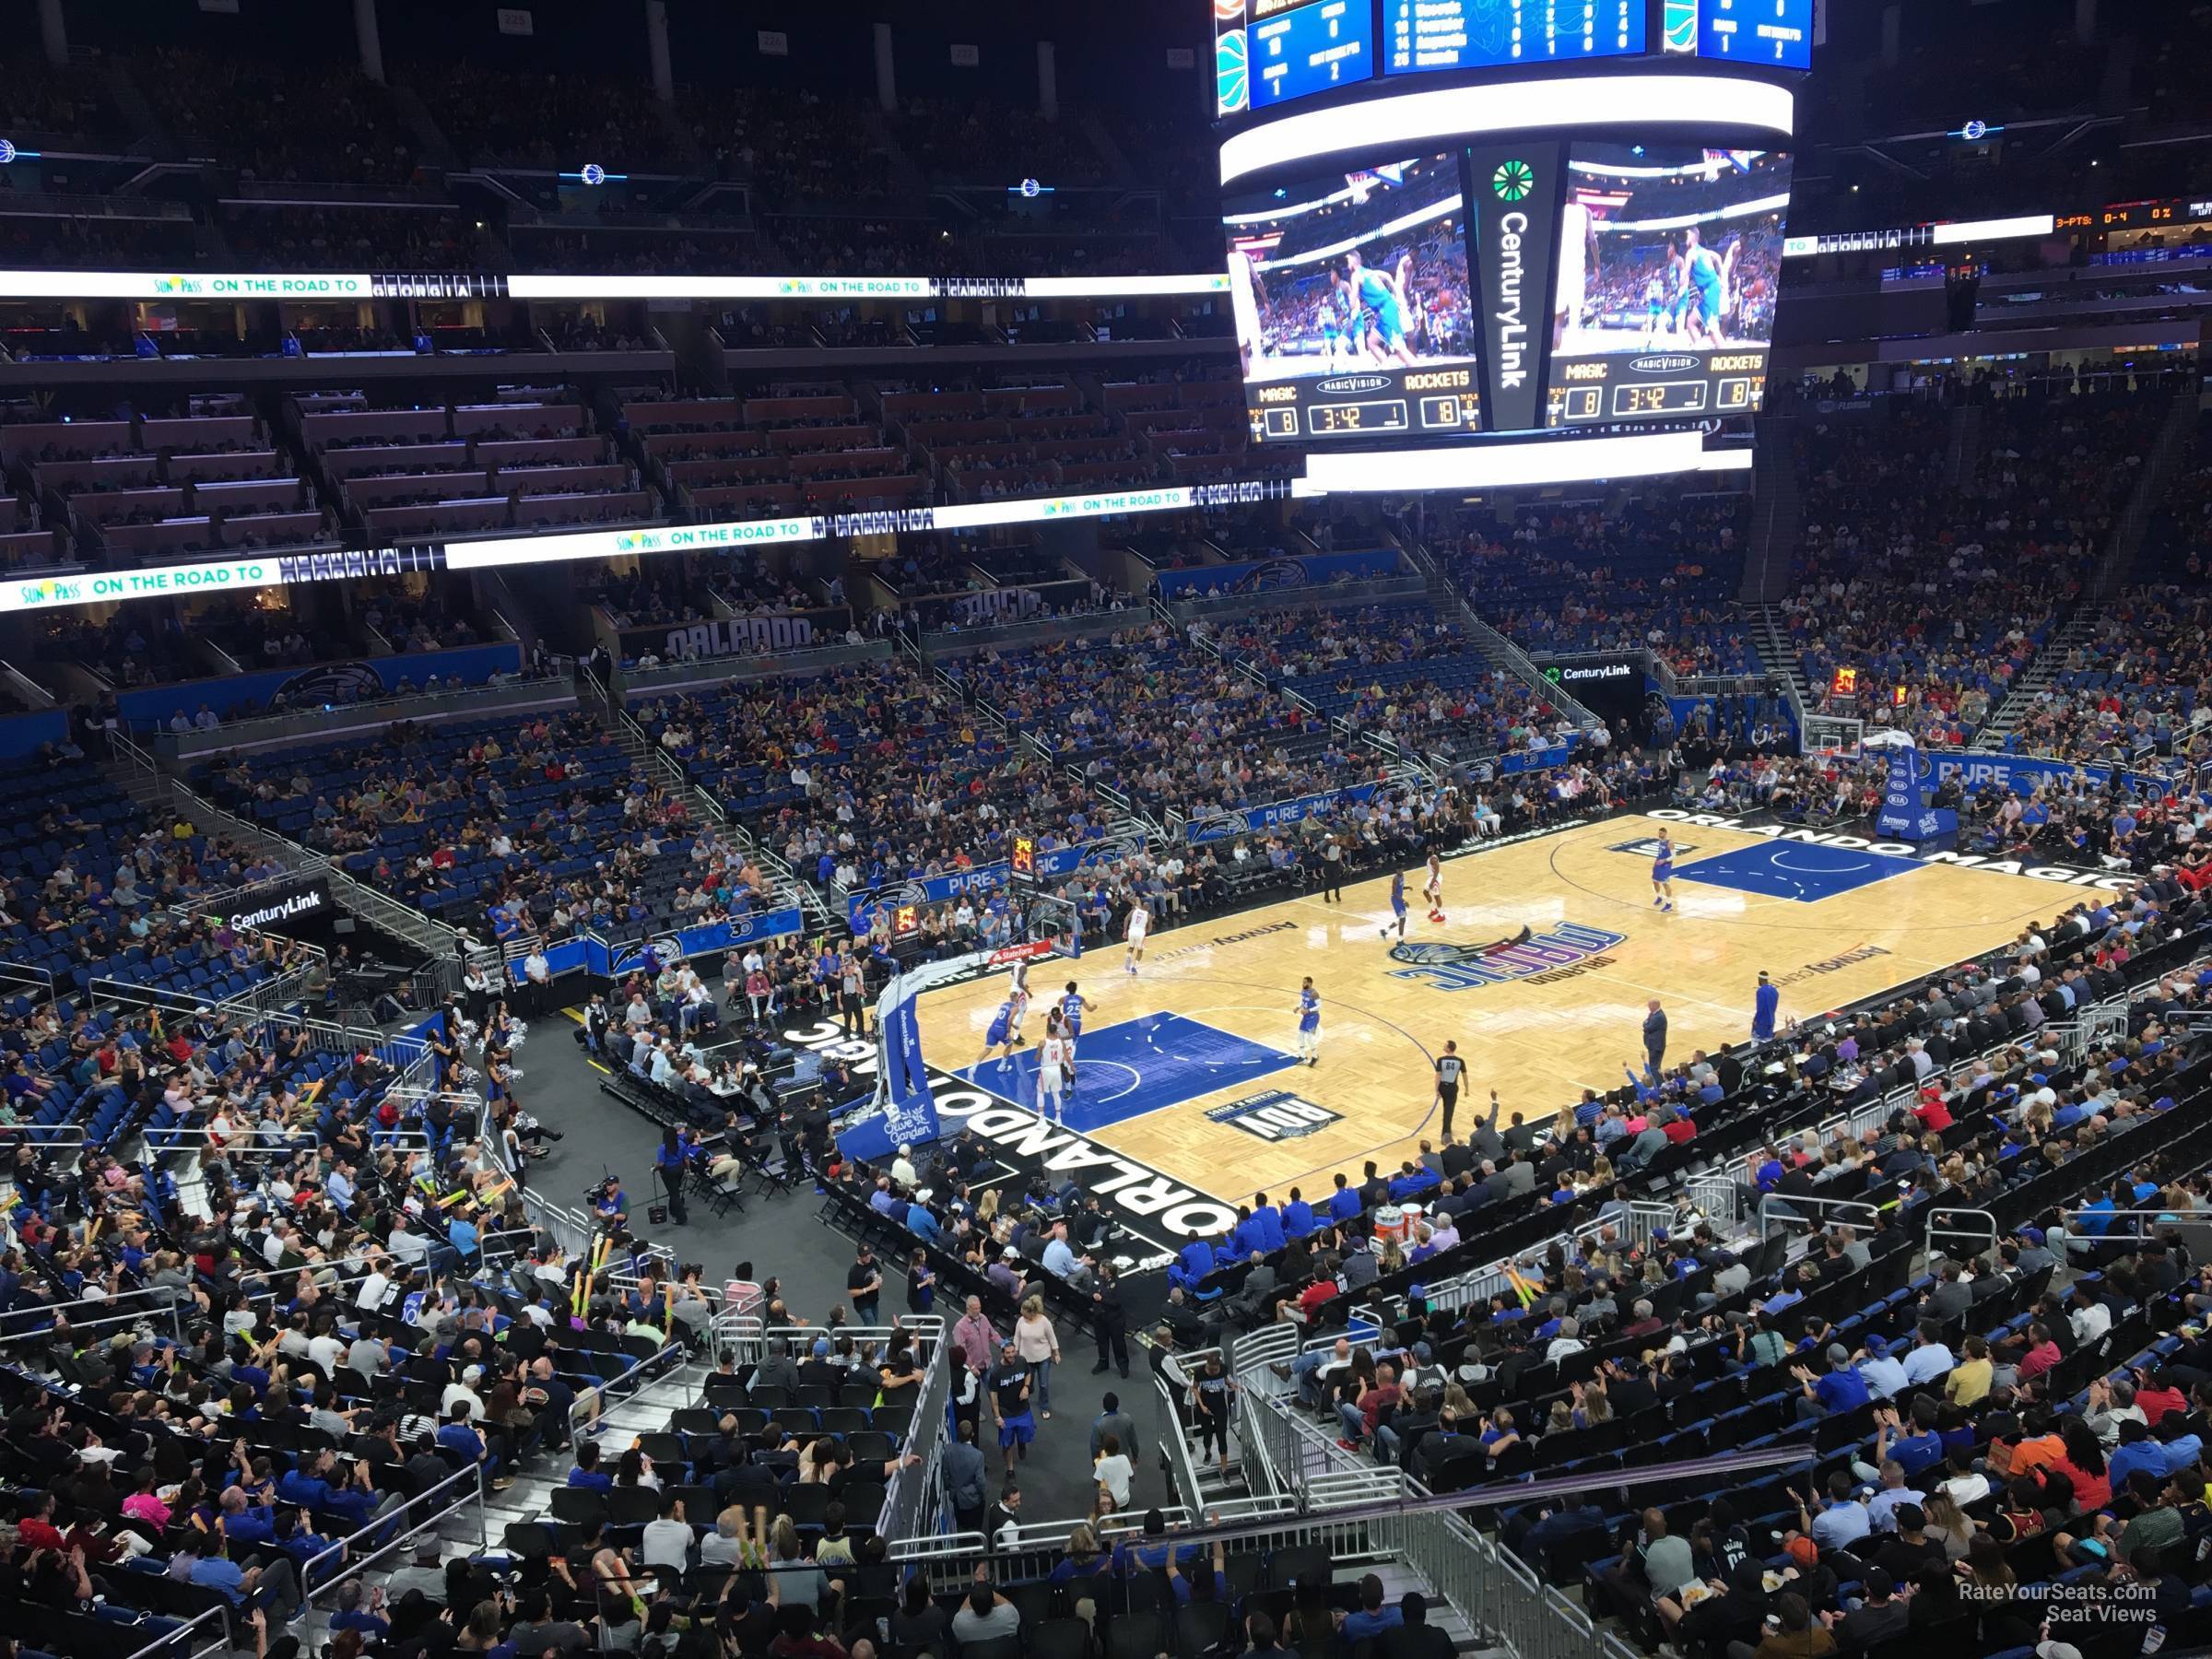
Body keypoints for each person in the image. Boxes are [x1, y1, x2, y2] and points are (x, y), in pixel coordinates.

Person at [990, 1338, 1036, 1470]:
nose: (1011, 1355)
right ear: (1002, 1354)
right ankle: (1010, 1470)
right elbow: (993, 1396)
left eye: (1013, 1352)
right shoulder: (996, 1372)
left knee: (1025, 1434)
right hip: (1006, 1414)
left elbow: (1028, 1374)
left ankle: (1021, 1443)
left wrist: (1026, 1387)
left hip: (1022, 1409)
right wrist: (997, 1416)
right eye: (1008, 1353)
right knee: (1007, 1444)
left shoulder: (1021, 1361)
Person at [1014, 1296, 1062, 1420]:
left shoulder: (1044, 1321)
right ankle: (1025, 1401)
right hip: (1027, 1359)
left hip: (1043, 1358)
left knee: (1043, 1384)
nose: (1022, 1317)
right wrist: (1015, 1351)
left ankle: (1044, 1406)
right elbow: (1017, 1338)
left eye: (1025, 1315)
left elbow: (1052, 1338)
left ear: (1032, 1313)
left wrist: (1056, 1353)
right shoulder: (1021, 1321)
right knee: (1028, 1384)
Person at [1192, 1352, 1235, 1479]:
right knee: (1207, 1433)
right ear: (1207, 1365)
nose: (1214, 1372)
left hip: (1220, 1407)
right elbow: (1195, 1388)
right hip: (1205, 1408)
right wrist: (1202, 1406)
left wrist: (1230, 1384)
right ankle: (1208, 1452)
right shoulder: (1199, 1372)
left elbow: (1225, 1379)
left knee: (1222, 1436)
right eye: (1211, 1369)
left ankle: (1224, 1468)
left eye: (1216, 1369)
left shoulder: (1223, 1369)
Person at [1038, 1010, 1070, 1124]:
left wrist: (1040, 1051)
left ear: (1047, 1031)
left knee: (1040, 1093)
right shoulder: (1061, 1042)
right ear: (1056, 1031)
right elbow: (1066, 1057)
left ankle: (1041, 1119)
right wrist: (1072, 1067)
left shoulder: (1043, 1042)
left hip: (1046, 1069)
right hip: (1057, 1070)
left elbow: (1037, 1058)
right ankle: (1058, 1119)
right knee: (1056, 1094)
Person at [653, 1126, 688, 1227]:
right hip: (679, 1169)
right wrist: (688, 1168)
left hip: (668, 1172)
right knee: (675, 1190)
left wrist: (654, 1169)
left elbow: (661, 1164)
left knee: (674, 1194)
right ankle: (672, 1210)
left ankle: (681, 1217)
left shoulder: (663, 1148)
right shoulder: (681, 1144)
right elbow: (686, 1158)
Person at [1433, 1040, 1465, 1139]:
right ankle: (1446, 1133)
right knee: (1449, 1110)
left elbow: (1438, 1075)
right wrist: (1467, 1088)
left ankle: (1446, 1131)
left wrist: (1436, 1089)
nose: (1443, 1046)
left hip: (1443, 1086)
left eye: (1445, 1045)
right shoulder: (1460, 1061)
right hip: (1452, 1088)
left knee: (1446, 1109)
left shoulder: (1440, 1060)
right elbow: (1465, 1076)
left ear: (1449, 1048)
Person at [846, 1244, 882, 1326]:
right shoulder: (854, 1271)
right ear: (859, 1256)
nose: (868, 1257)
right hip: (862, 1304)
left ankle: (854, 1336)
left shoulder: (872, 1261)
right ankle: (870, 1340)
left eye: (869, 1254)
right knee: (871, 1324)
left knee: (872, 1324)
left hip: (874, 1300)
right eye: (865, 1255)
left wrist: (879, 1279)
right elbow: (851, 1293)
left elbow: (879, 1272)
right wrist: (869, 1288)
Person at [1295, 978, 1322, 1067]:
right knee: (1300, 1035)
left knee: (1309, 1038)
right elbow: (1303, 1001)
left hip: (1313, 1017)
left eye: (1305, 982)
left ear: (1310, 983)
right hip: (1306, 1017)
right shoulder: (1303, 991)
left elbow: (1320, 1006)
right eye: (1303, 982)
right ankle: (1303, 1057)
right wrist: (1298, 1007)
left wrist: (1309, 1010)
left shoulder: (1314, 993)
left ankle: (1314, 1056)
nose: (1303, 983)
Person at [1650, 830, 1677, 913]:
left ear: (1665, 833)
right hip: (1658, 863)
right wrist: (1655, 864)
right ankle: (1659, 897)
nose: (1659, 834)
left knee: (1665, 884)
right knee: (1655, 881)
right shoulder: (1661, 841)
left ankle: (1669, 905)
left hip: (1666, 865)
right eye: (1659, 832)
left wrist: (1664, 860)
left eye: (1661, 833)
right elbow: (1660, 854)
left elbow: (1674, 856)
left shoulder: (1670, 843)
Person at [1381, 868, 1409, 943]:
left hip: (1400, 899)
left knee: (1401, 919)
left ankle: (1385, 931)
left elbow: (1401, 887)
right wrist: (1404, 901)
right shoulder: (1395, 879)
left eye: (1402, 870)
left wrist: (1407, 887)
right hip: (1396, 900)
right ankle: (1400, 940)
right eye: (1399, 870)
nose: (1401, 871)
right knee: (1402, 919)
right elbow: (1394, 893)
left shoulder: (1402, 876)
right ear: (1396, 870)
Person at [1124, 899, 1150, 976]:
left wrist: (1125, 931)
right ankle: (1134, 967)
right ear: (1149, 908)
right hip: (1140, 932)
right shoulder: (1148, 915)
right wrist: (1146, 929)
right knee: (1140, 951)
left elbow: (1126, 919)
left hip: (1131, 931)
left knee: (1131, 947)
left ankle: (1128, 957)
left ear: (1142, 906)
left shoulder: (1133, 911)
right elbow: (1149, 930)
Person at [1753, 970, 1780, 1044]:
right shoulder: (1774, 990)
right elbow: (1774, 1006)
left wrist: (1756, 1020)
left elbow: (1760, 1009)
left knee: (1759, 1045)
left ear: (1760, 979)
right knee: (1768, 1043)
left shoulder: (1760, 991)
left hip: (1762, 1022)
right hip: (1772, 1020)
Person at [1642, 999, 1667, 1077]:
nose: (1649, 1007)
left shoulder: (1658, 1017)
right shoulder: (1654, 1014)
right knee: (1654, 1066)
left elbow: (1648, 1027)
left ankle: (1655, 1083)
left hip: (1656, 1046)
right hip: (1654, 1044)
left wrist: (1645, 1024)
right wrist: (1646, 1024)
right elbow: (1646, 1023)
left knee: (1654, 1067)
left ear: (1656, 1005)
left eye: (1650, 1005)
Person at [1422, 850, 1444, 924]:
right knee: (1425, 892)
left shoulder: (1433, 859)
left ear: (1433, 850)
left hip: (1435, 878)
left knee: (1436, 896)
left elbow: (1437, 872)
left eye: (1430, 849)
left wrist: (1432, 882)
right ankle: (1433, 910)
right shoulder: (1430, 858)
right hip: (1431, 878)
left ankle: (1442, 915)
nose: (1428, 850)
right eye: (1427, 849)